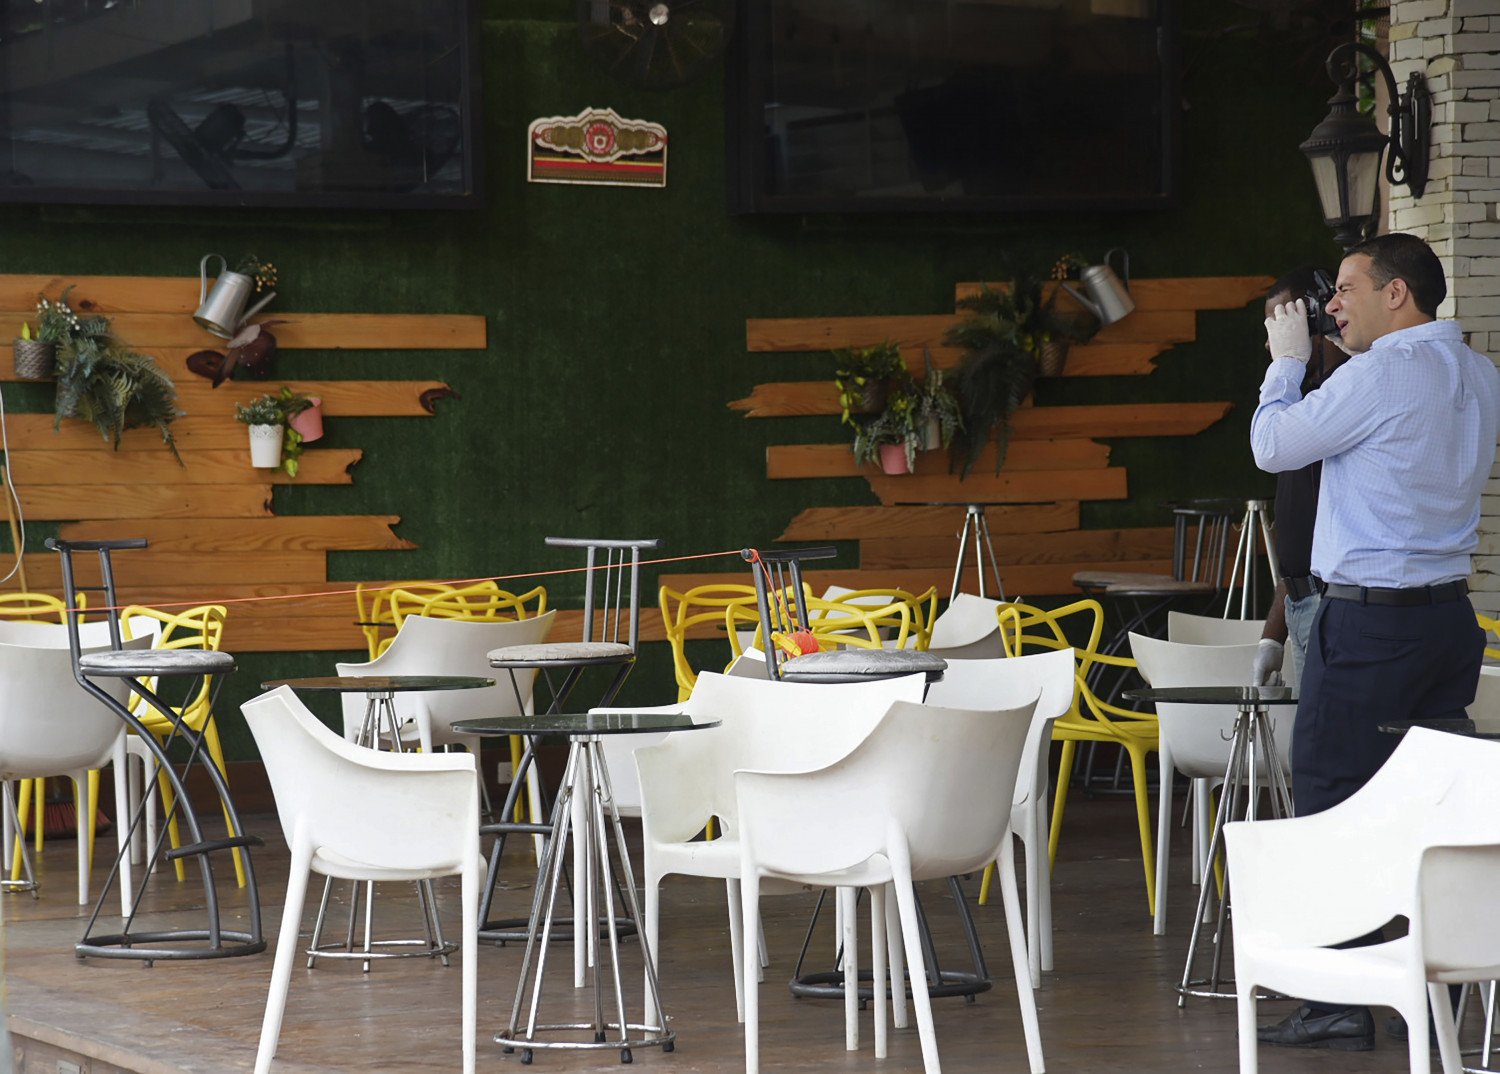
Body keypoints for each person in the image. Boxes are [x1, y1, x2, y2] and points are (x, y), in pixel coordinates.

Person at [1249, 232, 1500, 1051]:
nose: (1331, 306)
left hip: (1372, 618)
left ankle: (1340, 999)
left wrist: (1286, 364)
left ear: (1397, 295)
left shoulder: (1385, 369)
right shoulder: (1475, 369)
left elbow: (1273, 446)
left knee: (1331, 790)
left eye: (1347, 289)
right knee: (1429, 804)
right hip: (1444, 620)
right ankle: (1437, 977)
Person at [1250, 268, 1349, 693]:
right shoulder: (1298, 407)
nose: (1272, 345)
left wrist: (1288, 366)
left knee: (1323, 756)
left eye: (1285, 327)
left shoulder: (1342, 400)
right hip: (1304, 605)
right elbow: (1299, 539)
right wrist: (1274, 634)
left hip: (1335, 608)